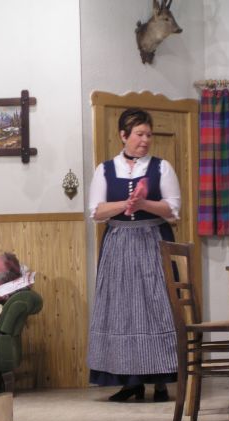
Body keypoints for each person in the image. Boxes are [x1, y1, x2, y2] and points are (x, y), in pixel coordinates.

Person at [87, 108, 181, 403]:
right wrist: (125, 203)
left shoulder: (161, 167)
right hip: (118, 244)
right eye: (140, 134)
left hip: (153, 241)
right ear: (123, 135)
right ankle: (130, 381)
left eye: (149, 135)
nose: (145, 140)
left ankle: (160, 380)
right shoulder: (105, 169)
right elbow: (96, 211)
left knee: (156, 307)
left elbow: (173, 209)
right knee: (121, 310)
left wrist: (144, 204)